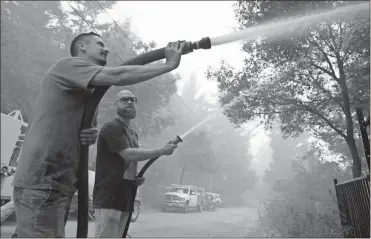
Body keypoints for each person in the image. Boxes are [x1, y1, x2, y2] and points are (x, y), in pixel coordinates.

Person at [12, 31, 186, 238]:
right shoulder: (67, 65)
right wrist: (168, 65)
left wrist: (88, 135)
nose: (107, 48)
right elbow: (118, 76)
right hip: (42, 177)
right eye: (99, 43)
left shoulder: (86, 97)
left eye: (133, 101)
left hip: (59, 182)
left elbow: (82, 134)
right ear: (82, 46)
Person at [93, 90, 178, 238]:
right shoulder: (112, 128)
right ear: (116, 105)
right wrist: (161, 150)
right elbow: (128, 153)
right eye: (124, 99)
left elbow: (131, 160)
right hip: (109, 196)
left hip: (125, 196)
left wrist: (134, 179)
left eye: (133, 99)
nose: (130, 102)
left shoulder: (132, 133)